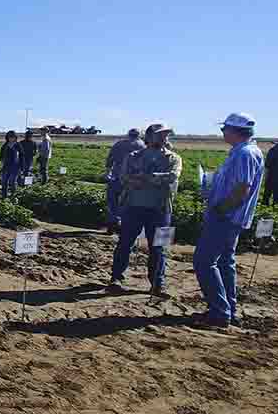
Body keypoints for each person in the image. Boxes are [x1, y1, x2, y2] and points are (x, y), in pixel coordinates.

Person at [192, 113, 265, 328]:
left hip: (226, 218)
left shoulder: (245, 154)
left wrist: (219, 210)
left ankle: (219, 312)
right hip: (230, 217)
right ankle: (228, 309)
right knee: (224, 262)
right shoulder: (243, 152)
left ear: (234, 131)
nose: (223, 132)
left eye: (225, 129)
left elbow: (242, 188)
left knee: (204, 262)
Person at [106, 124, 182, 298]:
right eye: (160, 134)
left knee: (160, 247)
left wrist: (144, 177)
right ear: (149, 137)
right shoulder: (133, 156)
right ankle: (116, 278)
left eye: (166, 135)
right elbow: (125, 178)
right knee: (124, 243)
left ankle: (158, 284)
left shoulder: (174, 158)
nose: (164, 137)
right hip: (133, 207)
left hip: (162, 210)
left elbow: (172, 177)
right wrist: (155, 179)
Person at [105, 129, 147, 233]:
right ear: (139, 135)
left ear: (128, 135)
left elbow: (110, 159)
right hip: (131, 179)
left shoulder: (119, 144)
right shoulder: (142, 146)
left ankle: (112, 224)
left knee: (112, 201)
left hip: (116, 176)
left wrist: (108, 172)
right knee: (126, 203)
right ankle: (123, 226)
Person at [0, 131, 23, 198]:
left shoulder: (18, 145)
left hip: (15, 167)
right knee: (4, 182)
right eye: (10, 137)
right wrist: (2, 160)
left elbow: (22, 156)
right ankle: (4, 196)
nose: (11, 138)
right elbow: (1, 155)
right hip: (6, 166)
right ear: (7, 137)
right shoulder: (5, 145)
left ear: (15, 138)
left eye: (13, 137)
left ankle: (13, 196)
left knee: (12, 182)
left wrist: (21, 167)